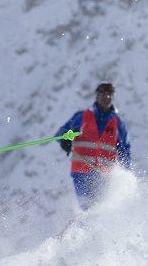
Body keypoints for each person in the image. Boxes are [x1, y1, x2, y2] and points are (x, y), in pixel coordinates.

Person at [55, 82, 132, 210]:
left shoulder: (117, 123)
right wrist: (66, 140)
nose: (106, 97)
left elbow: (125, 151)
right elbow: (61, 133)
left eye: (109, 94)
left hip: (104, 175)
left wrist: (124, 173)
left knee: (101, 209)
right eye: (102, 94)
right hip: (81, 172)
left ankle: (92, 225)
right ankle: (83, 224)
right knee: (87, 207)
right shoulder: (82, 117)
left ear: (112, 97)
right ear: (96, 96)